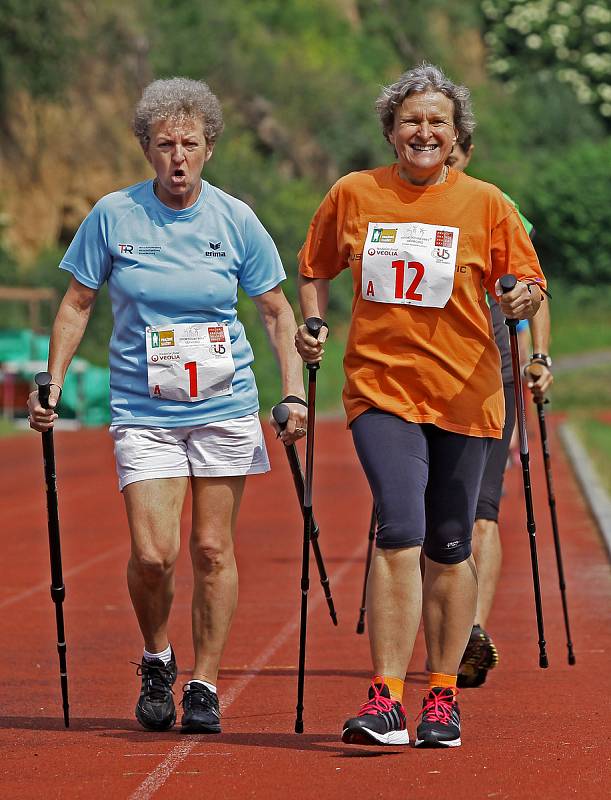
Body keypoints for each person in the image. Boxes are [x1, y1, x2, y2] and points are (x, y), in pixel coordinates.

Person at [27, 77, 307, 734]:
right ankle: (158, 656)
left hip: (223, 401)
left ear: (209, 148)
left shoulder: (235, 218)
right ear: (146, 149)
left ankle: (204, 683)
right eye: (163, 145)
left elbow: (274, 309)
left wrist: (290, 389)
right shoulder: (113, 215)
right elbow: (76, 304)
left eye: (189, 143)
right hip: (143, 407)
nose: (176, 157)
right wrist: (53, 380)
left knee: (211, 548)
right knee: (154, 554)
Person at [296, 63, 547, 749]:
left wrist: (522, 298)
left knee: (449, 543)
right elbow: (314, 266)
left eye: (437, 121)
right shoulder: (353, 194)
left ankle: (441, 696)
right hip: (381, 391)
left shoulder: (486, 203)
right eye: (411, 120)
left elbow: (525, 280)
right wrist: (312, 322)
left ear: (456, 133)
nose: (424, 131)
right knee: (398, 529)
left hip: (466, 395)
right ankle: (384, 697)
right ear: (390, 130)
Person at [446, 137, 553, 688]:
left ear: (464, 151)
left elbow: (535, 287)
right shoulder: (401, 204)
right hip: (429, 379)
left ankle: (473, 632)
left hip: (496, 374)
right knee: (434, 516)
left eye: (453, 154)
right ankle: (452, 623)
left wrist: (539, 356)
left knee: (483, 509)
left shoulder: (498, 206)